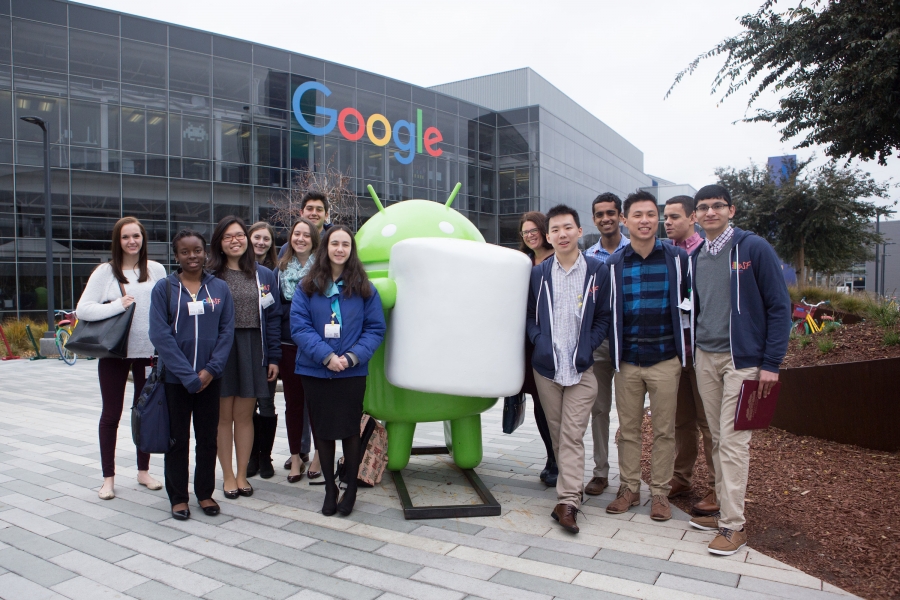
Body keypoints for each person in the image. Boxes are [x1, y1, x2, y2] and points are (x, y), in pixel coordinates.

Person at [687, 185, 790, 555]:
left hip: (742, 361)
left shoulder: (753, 248)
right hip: (706, 358)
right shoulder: (698, 254)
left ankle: (734, 526)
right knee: (716, 437)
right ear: (695, 215)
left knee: (733, 442)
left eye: (717, 206)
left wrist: (771, 363)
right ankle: (723, 510)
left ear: (731, 210)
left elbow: (780, 307)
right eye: (703, 207)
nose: (710, 212)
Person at [605, 190, 690, 522]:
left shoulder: (677, 259)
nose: (645, 221)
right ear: (625, 220)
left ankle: (660, 493)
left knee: (664, 431)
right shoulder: (612, 265)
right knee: (628, 430)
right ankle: (628, 488)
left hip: (666, 359)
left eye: (651, 215)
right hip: (627, 361)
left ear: (658, 219)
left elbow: (690, 305)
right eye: (637, 215)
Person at [526, 204, 611, 534]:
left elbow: (604, 316)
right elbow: (529, 318)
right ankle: (569, 496)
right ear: (549, 236)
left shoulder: (596, 272)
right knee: (560, 435)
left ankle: (568, 502)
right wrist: (540, 341)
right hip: (547, 369)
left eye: (568, 228)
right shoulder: (539, 274)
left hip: (581, 369)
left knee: (572, 434)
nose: (562, 234)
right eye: (555, 230)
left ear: (579, 231)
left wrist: (588, 345)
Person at [290, 225, 386, 516]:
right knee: (323, 430)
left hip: (352, 372)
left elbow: (375, 328)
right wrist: (326, 356)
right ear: (326, 247)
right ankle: (330, 489)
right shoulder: (307, 286)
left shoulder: (365, 288)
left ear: (351, 250)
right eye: (335, 243)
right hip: (316, 371)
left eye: (346, 244)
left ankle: (351, 489)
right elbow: (299, 327)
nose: (340, 249)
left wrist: (354, 357)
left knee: (349, 431)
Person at [76, 217, 167, 500]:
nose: (132, 241)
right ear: (118, 241)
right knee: (111, 415)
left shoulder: (155, 269)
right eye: (126, 237)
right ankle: (108, 478)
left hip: (149, 352)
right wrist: (117, 305)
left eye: (136, 236)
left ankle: (143, 471)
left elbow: (166, 306)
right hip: (116, 352)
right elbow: (83, 310)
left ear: (143, 238)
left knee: (147, 413)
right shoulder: (106, 272)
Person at [149, 229, 234, 520]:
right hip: (176, 381)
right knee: (177, 440)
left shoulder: (219, 288)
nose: (192, 256)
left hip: (211, 380)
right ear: (176, 256)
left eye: (197, 250)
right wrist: (188, 376)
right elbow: (159, 335)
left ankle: (205, 493)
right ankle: (178, 497)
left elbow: (226, 332)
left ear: (205, 252)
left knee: (208, 439)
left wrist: (210, 370)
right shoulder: (165, 288)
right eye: (185, 252)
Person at [208, 216, 281, 499]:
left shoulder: (263, 275)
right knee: (223, 417)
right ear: (220, 243)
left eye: (239, 235)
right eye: (228, 237)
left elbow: (273, 317)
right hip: (222, 350)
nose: (235, 240)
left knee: (245, 416)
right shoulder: (211, 276)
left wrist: (273, 356)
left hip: (254, 348)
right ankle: (227, 475)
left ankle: (242, 475)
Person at [663, 195, 718, 514]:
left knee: (708, 423)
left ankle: (716, 487)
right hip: (675, 353)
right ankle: (681, 477)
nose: (667, 222)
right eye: (665, 217)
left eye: (674, 217)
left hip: (703, 352)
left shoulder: (704, 254)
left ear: (692, 218)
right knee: (681, 421)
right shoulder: (668, 254)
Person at [582, 193, 630, 498]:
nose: (605, 219)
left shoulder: (635, 249)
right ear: (594, 219)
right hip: (599, 343)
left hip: (628, 343)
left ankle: (630, 478)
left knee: (629, 413)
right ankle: (600, 472)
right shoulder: (588, 256)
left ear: (620, 216)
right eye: (599, 214)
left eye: (611, 213)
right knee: (598, 410)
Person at [274, 217, 319, 483]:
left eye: (306, 235)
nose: (300, 238)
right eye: (296, 234)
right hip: (288, 344)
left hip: (316, 346)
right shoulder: (280, 268)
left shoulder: (323, 269)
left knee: (316, 403)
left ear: (314, 240)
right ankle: (294, 457)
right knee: (293, 404)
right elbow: (275, 308)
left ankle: (317, 456)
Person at [516, 212, 558, 486]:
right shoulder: (522, 262)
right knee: (540, 403)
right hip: (528, 341)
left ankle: (561, 459)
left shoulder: (559, 257)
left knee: (554, 404)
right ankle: (552, 458)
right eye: (525, 232)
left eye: (534, 230)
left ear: (544, 230)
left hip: (555, 340)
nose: (530, 235)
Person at [246, 221, 279, 479]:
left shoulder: (272, 274)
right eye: (257, 237)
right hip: (243, 351)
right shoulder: (235, 270)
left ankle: (264, 456)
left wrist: (274, 356)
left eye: (266, 239)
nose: (261, 242)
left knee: (267, 404)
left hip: (265, 350)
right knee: (246, 407)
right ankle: (250, 456)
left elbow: (275, 317)